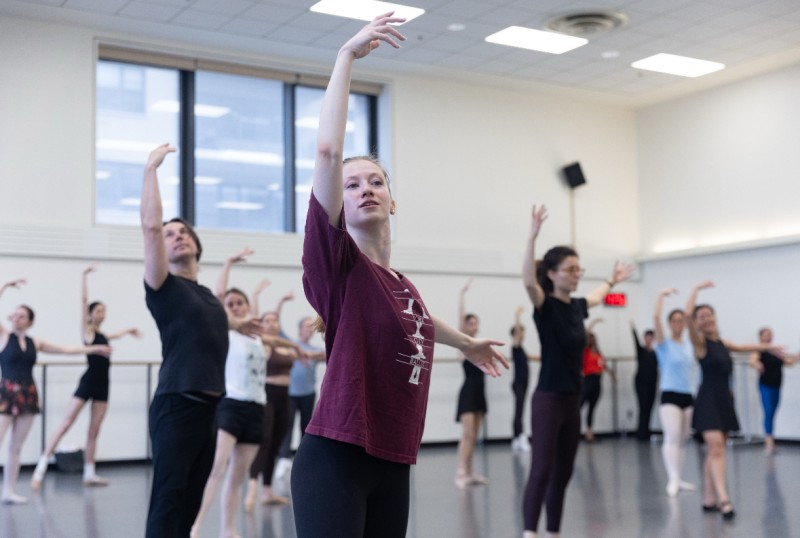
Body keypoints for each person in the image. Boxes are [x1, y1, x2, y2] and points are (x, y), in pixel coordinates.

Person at [289, 13, 508, 537]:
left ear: (393, 198)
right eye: (351, 184)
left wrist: (468, 343)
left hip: (393, 458)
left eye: (377, 181)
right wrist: (345, 58)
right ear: (337, 204)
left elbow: (421, 321)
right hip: (336, 457)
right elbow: (326, 150)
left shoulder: (403, 285)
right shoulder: (337, 265)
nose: (365, 188)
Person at [140, 144, 256, 537]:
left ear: (195, 242)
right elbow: (151, 227)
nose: (176, 237)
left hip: (211, 410)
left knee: (190, 507)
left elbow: (221, 322)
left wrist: (242, 325)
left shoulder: (205, 295)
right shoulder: (163, 287)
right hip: (176, 406)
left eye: (183, 231)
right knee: (168, 500)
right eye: (170, 234)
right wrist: (150, 171)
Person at [521, 204, 633, 538]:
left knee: (564, 471)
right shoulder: (546, 306)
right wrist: (532, 236)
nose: (576, 273)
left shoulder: (577, 307)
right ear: (553, 273)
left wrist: (611, 280)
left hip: (573, 400)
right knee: (542, 469)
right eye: (570, 269)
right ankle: (530, 532)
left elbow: (597, 296)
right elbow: (528, 280)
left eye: (578, 269)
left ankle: (553, 532)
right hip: (548, 400)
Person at [191, 247, 300, 538]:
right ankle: (197, 525)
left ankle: (228, 529)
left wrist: (300, 349)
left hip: (256, 409)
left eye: (241, 303)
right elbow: (217, 298)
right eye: (232, 303)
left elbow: (277, 338)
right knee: (217, 469)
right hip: (231, 406)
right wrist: (226, 262)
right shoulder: (224, 333)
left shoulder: (256, 338)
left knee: (237, 477)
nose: (237, 307)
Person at [0, 278, 110, 505]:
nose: (16, 318)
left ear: (29, 321)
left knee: (16, 446)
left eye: (21, 315)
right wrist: (4, 287)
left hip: (28, 394)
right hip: (6, 393)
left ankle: (8, 490)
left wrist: (94, 348)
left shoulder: (34, 342)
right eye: (14, 314)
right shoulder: (3, 336)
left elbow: (65, 350)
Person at [31, 265, 141, 490]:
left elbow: (114, 335)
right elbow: (83, 302)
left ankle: (89, 473)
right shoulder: (88, 332)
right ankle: (41, 465)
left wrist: (129, 330)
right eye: (98, 310)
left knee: (94, 429)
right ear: (91, 314)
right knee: (66, 423)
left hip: (103, 385)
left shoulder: (102, 334)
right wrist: (83, 278)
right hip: (88, 381)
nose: (102, 314)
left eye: (104, 311)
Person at [686, 281, 779, 520]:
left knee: (714, 451)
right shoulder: (700, 344)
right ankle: (723, 498)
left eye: (709, 315)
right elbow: (687, 317)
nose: (706, 319)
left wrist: (768, 347)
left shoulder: (722, 343)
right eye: (701, 317)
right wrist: (696, 291)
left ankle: (708, 498)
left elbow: (743, 346)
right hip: (707, 400)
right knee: (716, 448)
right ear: (697, 322)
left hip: (724, 400)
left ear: (715, 318)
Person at [244, 306, 300, 508]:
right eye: (267, 321)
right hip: (267, 394)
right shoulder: (264, 344)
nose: (271, 324)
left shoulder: (287, 345)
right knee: (264, 441)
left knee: (277, 442)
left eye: (275, 321)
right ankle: (251, 487)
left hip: (285, 396)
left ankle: (267, 491)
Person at [273, 315, 325, 487]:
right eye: (306, 326)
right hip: (291, 393)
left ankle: (305, 461)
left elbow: (328, 355)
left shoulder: (315, 349)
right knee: (287, 426)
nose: (309, 329)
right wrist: (281, 302)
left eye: (312, 327)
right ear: (300, 329)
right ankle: (283, 460)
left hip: (308, 394)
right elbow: (278, 329)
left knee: (306, 427)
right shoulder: (293, 344)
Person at [652, 288, 695, 497]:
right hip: (669, 395)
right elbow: (656, 318)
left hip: (687, 395)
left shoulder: (688, 344)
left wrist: (694, 290)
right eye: (675, 320)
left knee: (684, 438)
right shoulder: (663, 344)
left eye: (682, 320)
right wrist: (661, 296)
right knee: (673, 435)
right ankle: (672, 478)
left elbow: (689, 313)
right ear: (670, 324)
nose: (679, 323)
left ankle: (679, 477)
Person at [454, 278, 490, 488]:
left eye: (475, 323)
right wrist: (462, 295)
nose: (473, 326)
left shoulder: (481, 346)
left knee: (475, 435)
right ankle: (460, 473)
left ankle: (469, 472)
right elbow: (459, 320)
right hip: (468, 392)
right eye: (470, 323)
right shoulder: (463, 344)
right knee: (467, 434)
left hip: (480, 392)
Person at [748, 327, 798, 455]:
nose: (768, 336)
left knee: (773, 414)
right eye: (766, 334)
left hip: (777, 386)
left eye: (770, 334)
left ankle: (771, 443)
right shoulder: (759, 350)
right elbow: (752, 360)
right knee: (768, 413)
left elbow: (789, 362)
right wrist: (757, 364)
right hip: (766, 386)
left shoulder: (776, 351)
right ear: (761, 337)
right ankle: (768, 445)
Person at [580, 320, 616, 443]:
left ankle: (589, 433)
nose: (593, 340)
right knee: (578, 407)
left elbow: (603, 365)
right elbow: (583, 336)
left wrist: (611, 374)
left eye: (594, 338)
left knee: (592, 408)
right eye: (591, 338)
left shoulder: (598, 353)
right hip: (587, 382)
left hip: (597, 382)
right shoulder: (585, 352)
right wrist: (592, 324)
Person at [630, 321, 658, 442]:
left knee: (649, 407)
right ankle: (641, 433)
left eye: (651, 337)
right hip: (641, 383)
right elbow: (635, 342)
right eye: (647, 337)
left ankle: (646, 431)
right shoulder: (641, 351)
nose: (649, 339)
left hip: (652, 382)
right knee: (643, 406)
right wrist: (633, 329)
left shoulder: (656, 353)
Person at [510, 306, 531, 453]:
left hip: (523, 382)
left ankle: (516, 438)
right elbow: (517, 332)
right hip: (518, 383)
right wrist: (517, 316)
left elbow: (530, 358)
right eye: (521, 332)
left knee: (520, 410)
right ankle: (520, 437)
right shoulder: (515, 346)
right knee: (519, 411)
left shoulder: (521, 349)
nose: (523, 334)